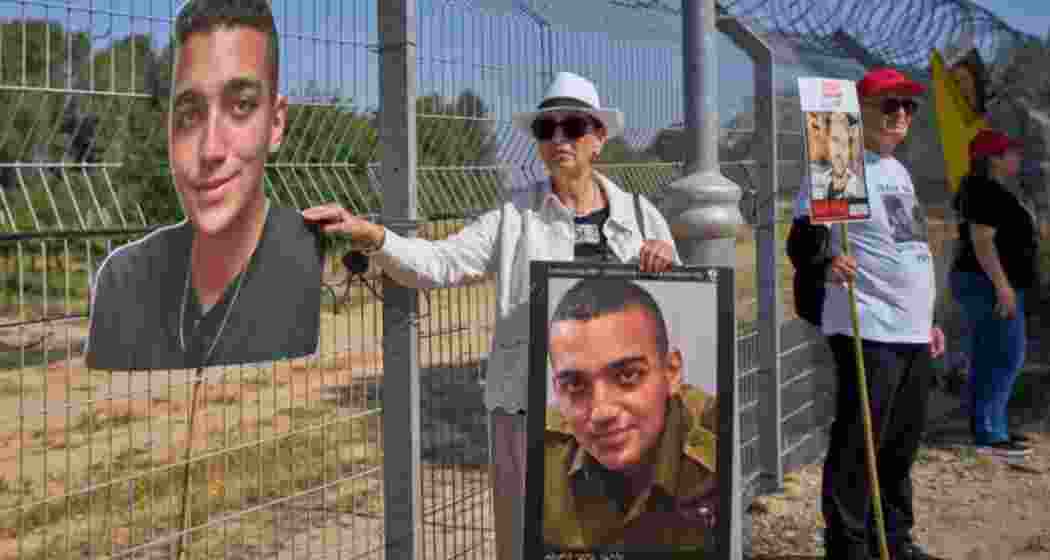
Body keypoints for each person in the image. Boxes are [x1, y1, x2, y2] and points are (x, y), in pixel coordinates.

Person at [302, 71, 680, 560]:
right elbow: (440, 263)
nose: (559, 139)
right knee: (534, 539)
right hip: (530, 412)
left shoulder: (645, 219)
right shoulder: (513, 217)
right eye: (546, 130)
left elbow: (676, 306)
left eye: (573, 127)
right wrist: (372, 235)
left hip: (619, 415)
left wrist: (664, 261)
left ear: (599, 138)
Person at [85, 0, 322, 372]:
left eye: (241, 106)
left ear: (275, 124)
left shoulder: (307, 250)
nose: (210, 149)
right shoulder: (124, 281)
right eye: (190, 114)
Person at [794, 68, 947, 560]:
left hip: (912, 330)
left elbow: (912, 247)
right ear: (860, 112)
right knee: (860, 444)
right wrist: (824, 262)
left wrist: (930, 320)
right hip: (869, 325)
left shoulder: (897, 172)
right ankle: (850, 546)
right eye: (888, 105)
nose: (900, 115)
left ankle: (895, 539)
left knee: (900, 445)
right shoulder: (842, 159)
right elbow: (803, 240)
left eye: (907, 106)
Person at [542, 277, 718, 550]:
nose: (601, 412)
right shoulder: (540, 457)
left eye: (627, 376)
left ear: (671, 373)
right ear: (557, 389)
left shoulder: (723, 447)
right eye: (575, 385)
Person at [950, 129, 1038, 457]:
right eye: (1009, 152)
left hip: (989, 282)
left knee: (991, 355)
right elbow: (982, 242)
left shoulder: (990, 189)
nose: (1016, 157)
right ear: (993, 159)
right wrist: (1002, 286)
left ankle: (989, 426)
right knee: (1006, 356)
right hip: (987, 283)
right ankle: (990, 432)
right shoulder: (984, 190)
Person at [811, 112, 864, 201]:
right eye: (835, 140)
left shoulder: (861, 190)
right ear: (828, 141)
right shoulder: (813, 183)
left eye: (844, 144)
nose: (839, 152)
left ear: (850, 148)